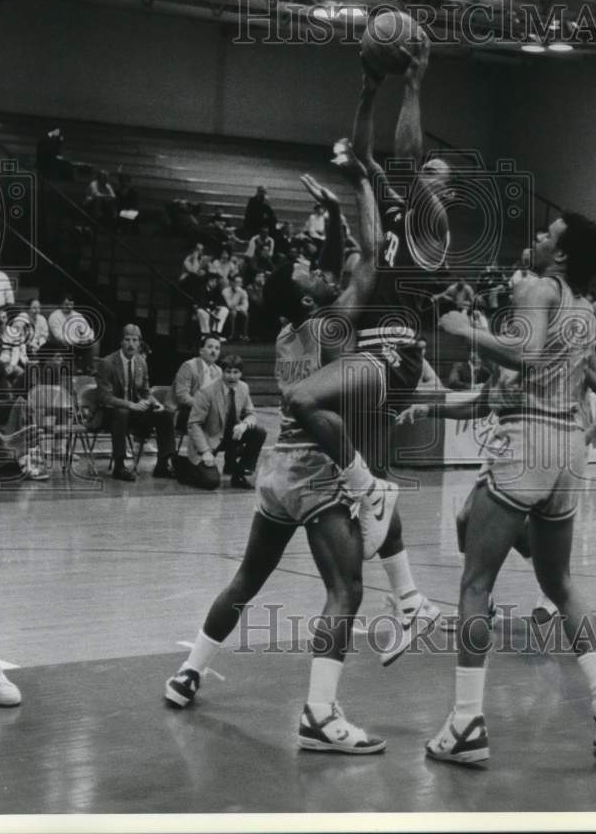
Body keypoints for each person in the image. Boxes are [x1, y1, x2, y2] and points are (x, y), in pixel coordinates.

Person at [164, 164, 388, 752]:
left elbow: (327, 273)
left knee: (247, 578)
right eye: (309, 272)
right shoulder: (332, 325)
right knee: (347, 592)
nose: (319, 270)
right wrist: (364, 183)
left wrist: (333, 216)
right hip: (314, 473)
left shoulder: (292, 331)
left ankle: (189, 671)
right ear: (309, 295)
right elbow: (370, 259)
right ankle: (319, 715)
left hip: (276, 473)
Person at [399, 213, 596, 762]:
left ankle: (465, 724)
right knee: (560, 583)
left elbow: (523, 357)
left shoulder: (539, 287)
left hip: (528, 443)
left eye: (547, 235)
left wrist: (462, 330)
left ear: (562, 256)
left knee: (475, 585)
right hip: (567, 451)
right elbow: (500, 389)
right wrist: (431, 405)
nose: (537, 239)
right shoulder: (584, 311)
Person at [284, 38, 451, 568]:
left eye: (433, 176)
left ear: (444, 192)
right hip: (374, 352)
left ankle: (369, 497)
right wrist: (368, 91)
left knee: (308, 409)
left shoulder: (433, 224)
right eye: (426, 174)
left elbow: (405, 157)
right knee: (367, 482)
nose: (422, 178)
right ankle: (407, 595)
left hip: (393, 351)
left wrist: (414, 85)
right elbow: (364, 157)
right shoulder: (394, 210)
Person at [96, 324, 176, 482]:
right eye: (127, 340)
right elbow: (104, 397)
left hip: (134, 412)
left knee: (165, 414)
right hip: (111, 413)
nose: (131, 344)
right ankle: (119, 466)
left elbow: (145, 391)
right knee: (122, 412)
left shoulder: (141, 362)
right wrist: (130, 405)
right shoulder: (107, 363)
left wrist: (156, 403)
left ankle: (162, 464)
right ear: (121, 342)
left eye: (135, 340)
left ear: (139, 343)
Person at [181, 354, 266, 489]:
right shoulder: (206, 391)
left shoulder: (243, 387)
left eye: (236, 372)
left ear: (241, 373)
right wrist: (205, 451)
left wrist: (244, 425)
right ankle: (183, 465)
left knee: (259, 433)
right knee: (211, 482)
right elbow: (194, 424)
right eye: (228, 372)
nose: (232, 376)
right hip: (209, 439)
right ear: (222, 372)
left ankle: (238, 474)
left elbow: (251, 414)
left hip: (231, 436)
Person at [171, 335, 223, 431]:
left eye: (217, 348)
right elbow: (182, 396)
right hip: (187, 410)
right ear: (201, 350)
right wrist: (203, 406)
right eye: (210, 347)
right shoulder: (189, 366)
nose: (213, 351)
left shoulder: (218, 371)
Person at [47, 294, 98, 375]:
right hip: (60, 344)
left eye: (71, 304)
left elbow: (87, 330)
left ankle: (89, 368)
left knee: (91, 344)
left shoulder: (77, 315)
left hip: (77, 344)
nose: (69, 307)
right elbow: (58, 336)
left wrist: (88, 338)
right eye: (66, 304)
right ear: (61, 304)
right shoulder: (54, 316)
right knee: (68, 346)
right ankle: (73, 369)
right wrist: (76, 341)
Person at [222, 275, 249, 341]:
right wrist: (237, 293)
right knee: (233, 313)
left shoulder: (243, 291)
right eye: (236, 282)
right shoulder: (225, 291)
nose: (238, 284)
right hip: (226, 309)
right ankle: (231, 335)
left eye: (240, 282)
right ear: (232, 283)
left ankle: (244, 335)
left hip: (237, 309)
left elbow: (245, 305)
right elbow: (229, 305)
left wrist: (238, 309)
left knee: (245, 314)